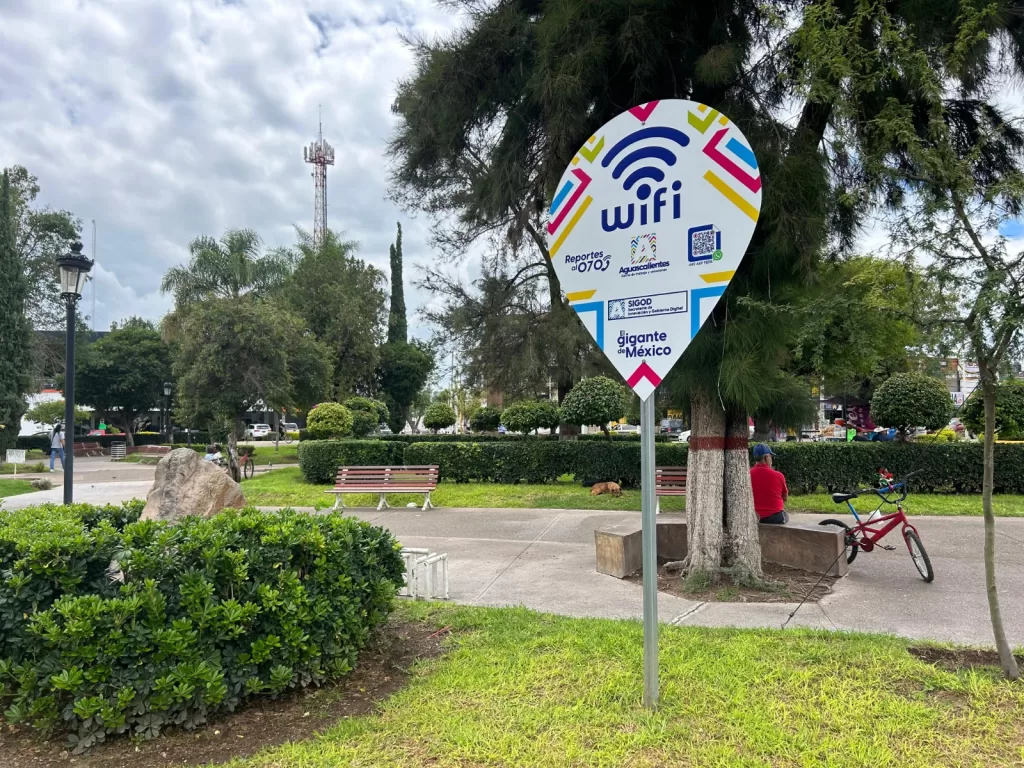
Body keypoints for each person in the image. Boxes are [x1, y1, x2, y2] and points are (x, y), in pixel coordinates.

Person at [750, 443, 789, 524]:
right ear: (766, 457)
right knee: (785, 516)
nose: (771, 459)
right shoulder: (778, 475)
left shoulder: (747, 474)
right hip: (775, 517)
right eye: (771, 456)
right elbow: (785, 497)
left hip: (753, 516)